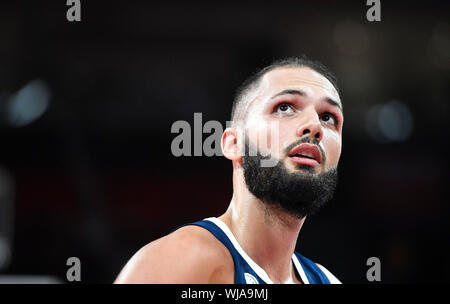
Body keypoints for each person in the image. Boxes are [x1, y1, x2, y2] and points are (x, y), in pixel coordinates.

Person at [115, 56, 343, 284]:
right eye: (284, 107)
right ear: (234, 143)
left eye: (328, 117)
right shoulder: (183, 261)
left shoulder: (328, 281)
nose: (314, 126)